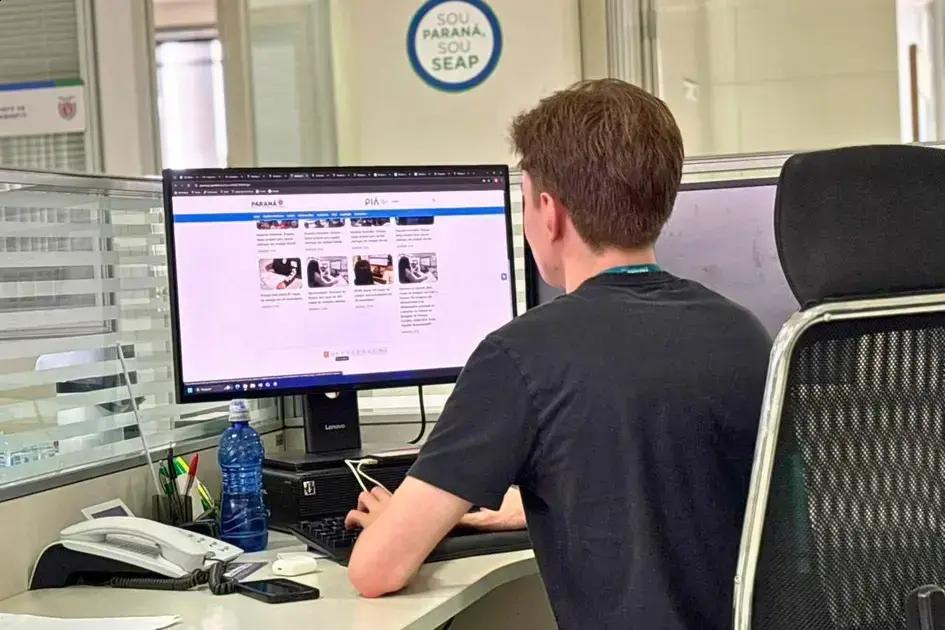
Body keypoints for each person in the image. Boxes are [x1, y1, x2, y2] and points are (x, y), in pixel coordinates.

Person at [343, 79, 771, 630]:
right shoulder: (744, 333)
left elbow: (375, 571)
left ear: (549, 213)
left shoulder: (521, 356)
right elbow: (660, 493)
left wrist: (393, 526)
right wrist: (508, 509)